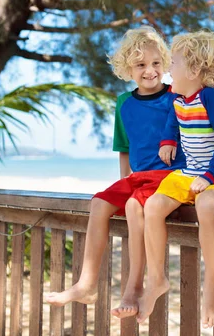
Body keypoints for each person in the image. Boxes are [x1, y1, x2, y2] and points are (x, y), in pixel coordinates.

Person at [44, 26, 185, 320]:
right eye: (141, 65)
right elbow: (124, 146)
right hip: (138, 177)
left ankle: (133, 288)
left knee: (136, 207)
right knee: (98, 203)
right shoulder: (124, 102)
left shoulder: (176, 96)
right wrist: (124, 183)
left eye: (156, 63)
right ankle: (86, 284)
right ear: (127, 69)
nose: (150, 70)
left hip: (168, 177)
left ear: (166, 63)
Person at [136, 31, 214, 329]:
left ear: (195, 70)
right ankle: (157, 278)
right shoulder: (179, 97)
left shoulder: (212, 97)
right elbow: (175, 117)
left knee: (207, 207)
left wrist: (211, 176)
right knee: (154, 206)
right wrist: (167, 140)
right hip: (190, 172)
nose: (169, 69)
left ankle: (211, 285)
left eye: (174, 63)